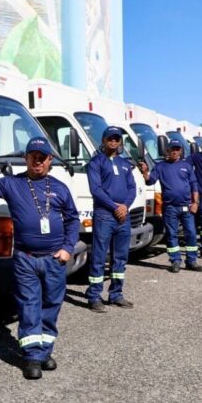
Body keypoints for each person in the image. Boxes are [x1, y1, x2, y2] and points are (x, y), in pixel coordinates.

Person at [0, 137, 78, 380]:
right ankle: (32, 356)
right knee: (29, 305)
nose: (38, 161)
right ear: (26, 158)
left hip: (55, 259)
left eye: (43, 157)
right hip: (26, 259)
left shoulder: (61, 188)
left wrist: (67, 248)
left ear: (50, 160)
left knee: (51, 305)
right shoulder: (12, 184)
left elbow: (73, 220)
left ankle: (45, 351)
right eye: (33, 156)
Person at [86, 126, 136, 310]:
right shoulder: (96, 162)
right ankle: (94, 297)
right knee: (99, 256)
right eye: (110, 138)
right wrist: (115, 206)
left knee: (121, 257)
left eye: (117, 138)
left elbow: (132, 188)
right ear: (104, 140)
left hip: (123, 216)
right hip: (104, 215)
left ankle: (116, 294)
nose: (114, 141)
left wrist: (125, 206)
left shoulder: (125, 164)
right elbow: (96, 190)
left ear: (120, 142)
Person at [138, 140, 202, 273]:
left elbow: (194, 186)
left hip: (187, 206)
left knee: (191, 233)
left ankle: (192, 261)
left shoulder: (187, 166)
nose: (174, 151)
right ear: (167, 150)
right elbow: (150, 181)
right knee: (171, 234)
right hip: (170, 207)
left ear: (180, 151)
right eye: (172, 149)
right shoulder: (160, 166)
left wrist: (195, 203)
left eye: (177, 149)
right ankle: (175, 261)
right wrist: (145, 172)